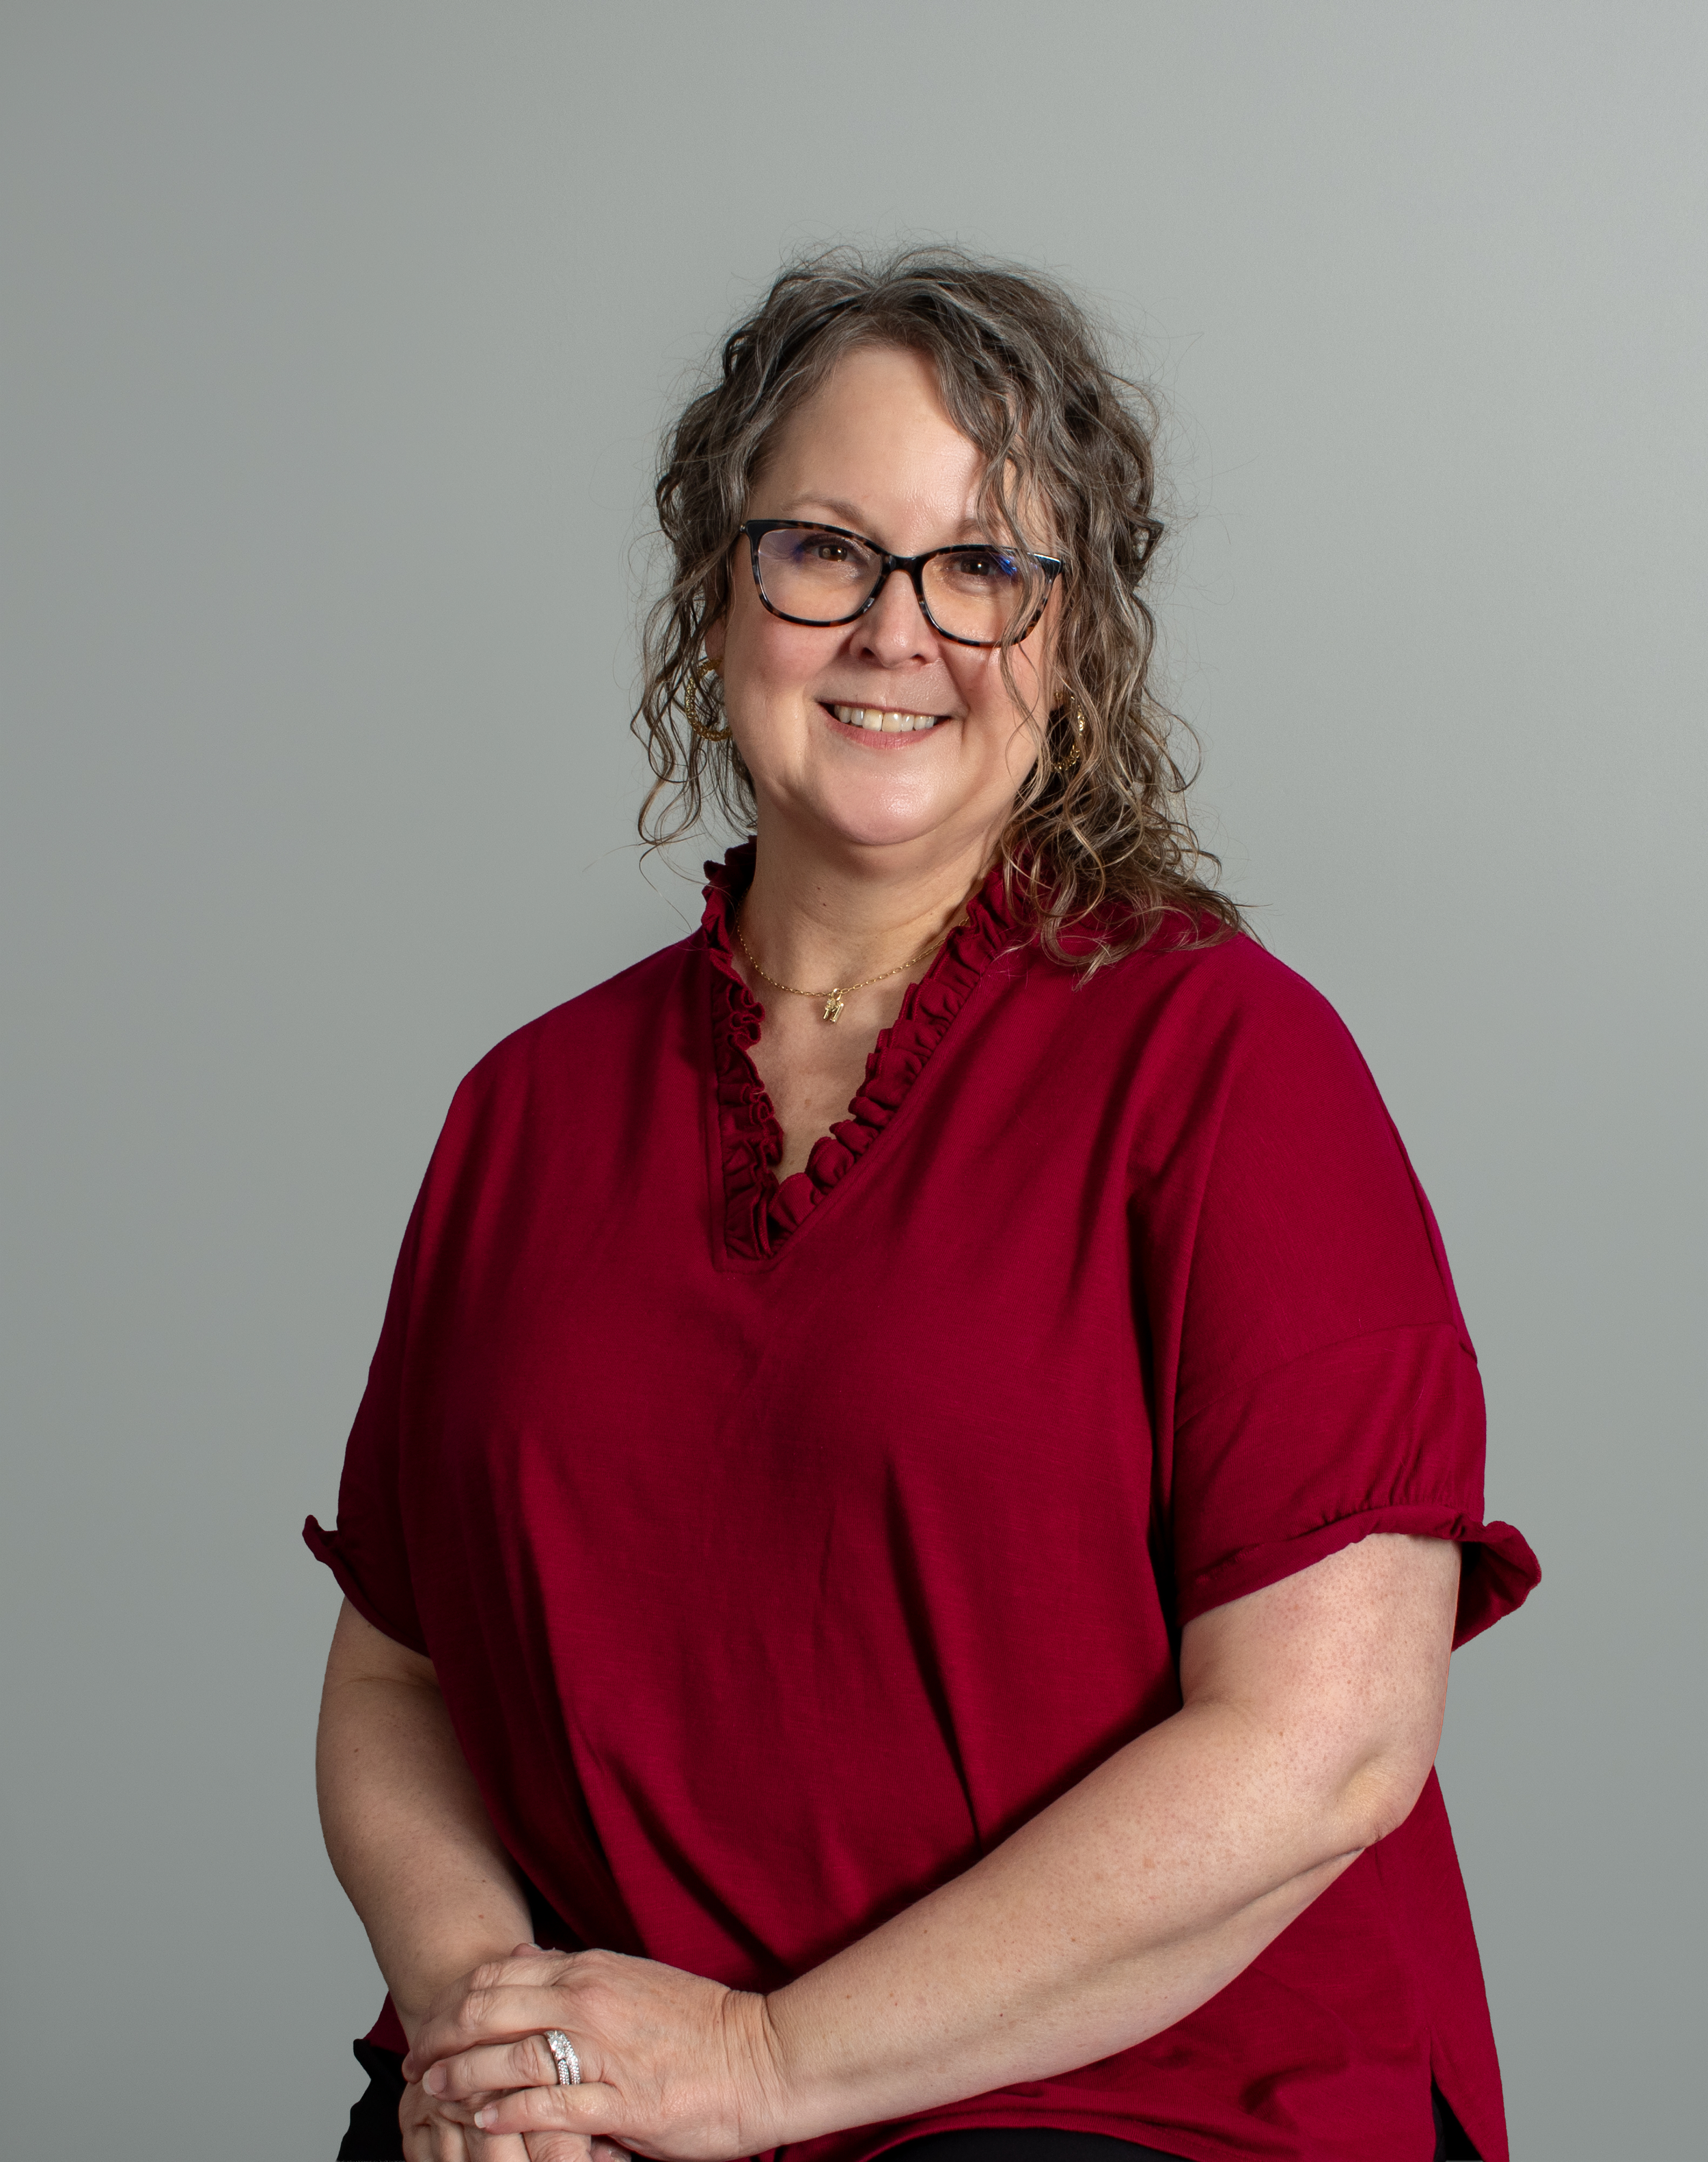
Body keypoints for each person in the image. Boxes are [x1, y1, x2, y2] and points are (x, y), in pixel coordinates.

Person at [307, 248, 1538, 2162]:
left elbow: (1331, 1747)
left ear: (1076, 637)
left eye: (982, 567)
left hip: (1122, 2102)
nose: (899, 630)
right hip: (612, 2096)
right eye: (824, 548)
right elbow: (394, 1672)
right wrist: (498, 2038)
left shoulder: (1228, 1068)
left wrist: (762, 2065)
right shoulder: (525, 1109)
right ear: (720, 593)